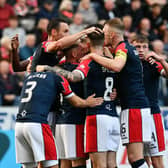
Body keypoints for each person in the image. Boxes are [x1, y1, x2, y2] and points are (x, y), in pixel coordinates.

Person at [36, 24, 120, 168]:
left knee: (72, 162)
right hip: (97, 117)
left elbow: (74, 77)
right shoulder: (113, 62)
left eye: (83, 45)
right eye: (80, 48)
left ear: (88, 43)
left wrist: (48, 68)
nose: (83, 49)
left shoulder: (84, 62)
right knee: (103, 162)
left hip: (75, 119)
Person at [79, 18, 152, 168]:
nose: (103, 36)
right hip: (136, 105)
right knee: (136, 157)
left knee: (135, 158)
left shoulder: (122, 48)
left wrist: (93, 56)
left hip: (134, 107)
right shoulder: (128, 48)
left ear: (112, 35)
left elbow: (117, 66)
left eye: (104, 33)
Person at [15, 71, 103, 168]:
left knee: (28, 166)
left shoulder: (29, 76)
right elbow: (76, 102)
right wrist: (87, 102)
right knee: (52, 164)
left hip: (19, 125)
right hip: (37, 124)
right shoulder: (57, 77)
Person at [131, 35, 167, 168]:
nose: (141, 50)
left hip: (152, 114)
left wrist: (162, 60)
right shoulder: (127, 64)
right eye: (137, 47)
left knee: (157, 161)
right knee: (142, 159)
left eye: (144, 47)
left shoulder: (153, 63)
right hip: (135, 115)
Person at [31, 18, 101, 72]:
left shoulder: (57, 52)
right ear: (54, 32)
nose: (68, 35)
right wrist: (85, 32)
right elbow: (58, 44)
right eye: (65, 31)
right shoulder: (46, 44)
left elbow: (28, 62)